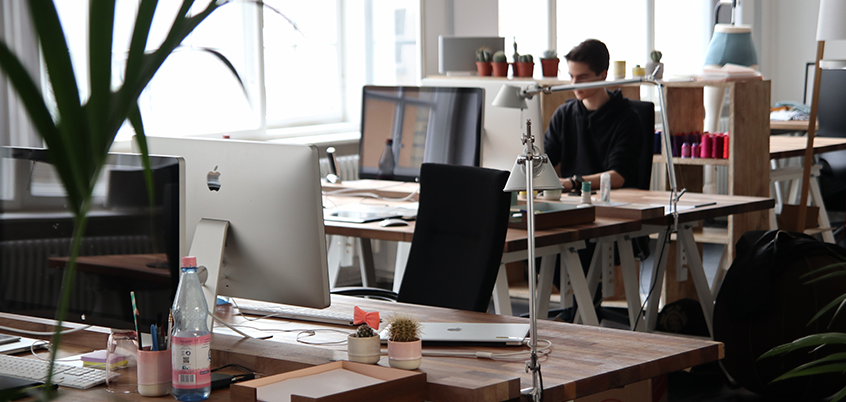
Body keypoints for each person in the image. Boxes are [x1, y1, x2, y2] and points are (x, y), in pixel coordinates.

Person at [543, 39, 643, 193]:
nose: (574, 84)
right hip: (571, 201)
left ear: (602, 75)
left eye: (582, 77)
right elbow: (544, 161)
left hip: (615, 201)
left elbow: (618, 176)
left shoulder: (627, 117)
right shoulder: (563, 115)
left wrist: (574, 182)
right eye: (571, 76)